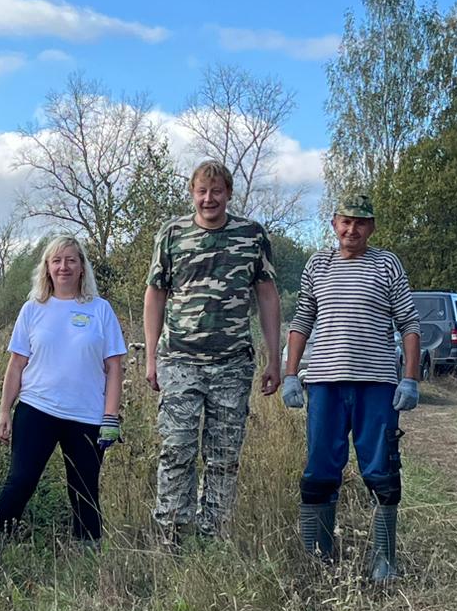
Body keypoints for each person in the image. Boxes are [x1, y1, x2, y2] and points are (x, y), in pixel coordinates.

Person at [280, 192, 421, 584]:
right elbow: (301, 321)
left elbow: (409, 323)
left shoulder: (386, 264)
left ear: (371, 227)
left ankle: (384, 561)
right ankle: (317, 556)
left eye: (360, 222)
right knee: (320, 469)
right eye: (345, 221)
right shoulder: (318, 265)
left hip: (376, 384)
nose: (352, 229)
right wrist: (292, 373)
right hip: (324, 383)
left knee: (381, 470)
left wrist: (410, 378)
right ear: (333, 224)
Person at [143, 160, 281, 543]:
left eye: (216, 191)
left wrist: (275, 357)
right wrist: (151, 357)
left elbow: (267, 295)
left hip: (232, 365)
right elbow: (155, 294)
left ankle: (213, 537)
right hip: (179, 360)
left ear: (228, 194)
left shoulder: (252, 235)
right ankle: (171, 535)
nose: (209, 199)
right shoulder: (172, 234)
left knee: (223, 456)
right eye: (202, 191)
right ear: (192, 193)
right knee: (177, 450)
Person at [0, 237, 127, 577]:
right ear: (47, 267)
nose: (63, 267)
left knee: (84, 490)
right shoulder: (33, 309)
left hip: (86, 416)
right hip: (36, 409)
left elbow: (115, 368)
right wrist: (4, 412)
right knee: (20, 483)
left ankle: (89, 572)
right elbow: (15, 365)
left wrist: (110, 417)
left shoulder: (100, 309)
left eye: (71, 260)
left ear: (82, 267)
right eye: (56, 261)